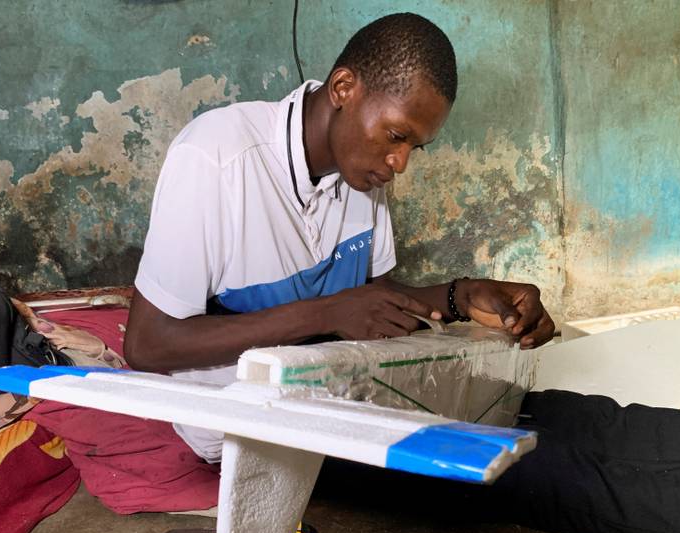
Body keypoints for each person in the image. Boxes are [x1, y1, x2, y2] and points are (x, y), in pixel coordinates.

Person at [124, 13, 554, 463]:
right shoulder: (217, 157)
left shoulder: (362, 177)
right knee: (541, 467)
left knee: (562, 417)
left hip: (341, 405)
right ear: (344, 88)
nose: (401, 162)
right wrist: (325, 314)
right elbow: (148, 343)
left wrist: (461, 296)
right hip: (254, 438)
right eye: (396, 136)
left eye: (415, 147)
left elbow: (372, 299)